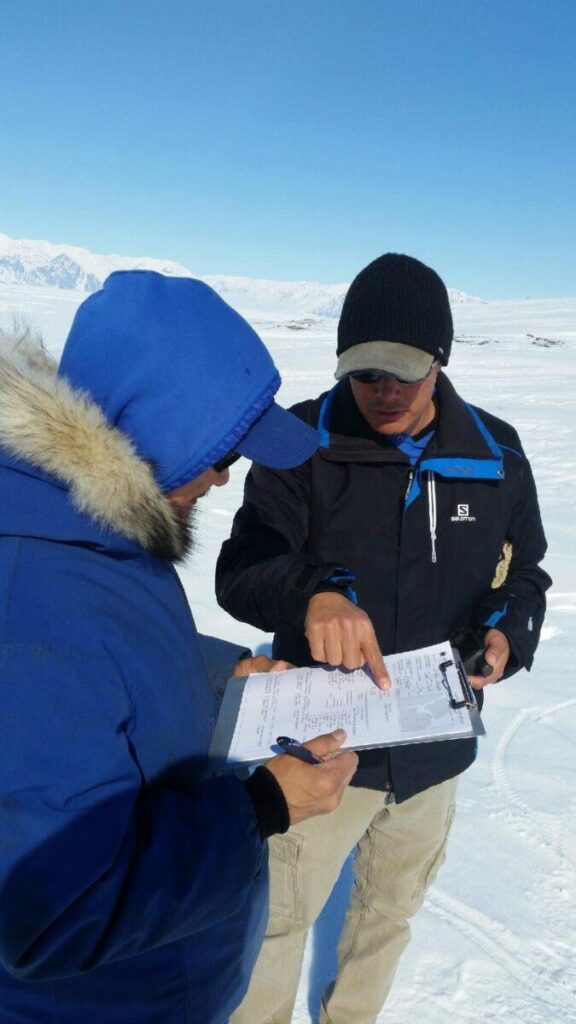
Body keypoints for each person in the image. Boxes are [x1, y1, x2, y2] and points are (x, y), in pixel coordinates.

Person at [0, 271, 359, 1024]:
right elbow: (54, 908)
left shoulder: (80, 529)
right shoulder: (32, 586)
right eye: (223, 451)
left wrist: (221, 670)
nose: (226, 477)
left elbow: (99, 654)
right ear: (158, 429)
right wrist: (262, 806)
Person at [216, 253, 551, 1024]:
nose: (385, 391)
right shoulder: (300, 440)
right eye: (365, 373)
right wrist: (313, 593)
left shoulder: (496, 456)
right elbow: (242, 570)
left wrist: (507, 635)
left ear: (441, 360)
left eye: (403, 371)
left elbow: (524, 574)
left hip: (433, 750)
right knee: (274, 925)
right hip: (320, 746)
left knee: (386, 918)